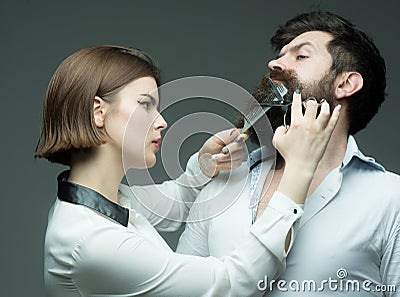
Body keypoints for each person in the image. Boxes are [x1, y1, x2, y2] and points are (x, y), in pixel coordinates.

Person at [35, 45, 340, 296]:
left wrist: (202, 166)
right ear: (99, 112)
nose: (161, 121)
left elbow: (168, 204)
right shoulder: (92, 242)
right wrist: (299, 170)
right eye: (145, 105)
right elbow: (235, 283)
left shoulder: (101, 199)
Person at [177, 10, 400, 296]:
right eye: (280, 55)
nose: (274, 63)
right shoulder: (222, 184)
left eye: (301, 56)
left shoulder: (390, 198)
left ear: (346, 84)